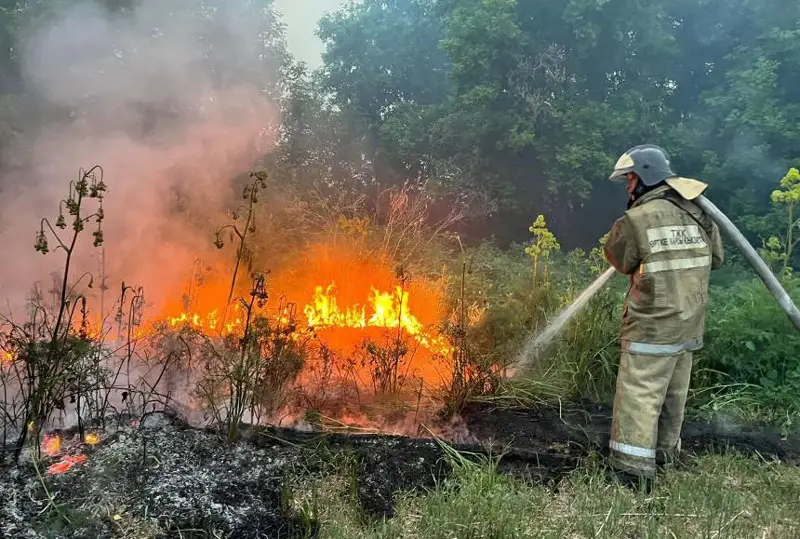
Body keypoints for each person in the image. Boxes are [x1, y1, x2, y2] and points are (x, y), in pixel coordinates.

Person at [602, 144, 724, 490]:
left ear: (643, 176)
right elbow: (716, 258)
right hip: (689, 321)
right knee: (674, 392)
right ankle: (665, 454)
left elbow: (619, 258)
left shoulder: (637, 219)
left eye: (630, 180)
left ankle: (631, 470)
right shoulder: (699, 212)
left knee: (640, 392)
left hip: (652, 325)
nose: (628, 187)